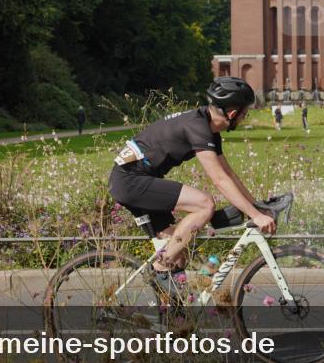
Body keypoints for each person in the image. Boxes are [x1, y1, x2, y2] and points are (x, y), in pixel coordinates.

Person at [108, 77, 277, 289]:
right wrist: (255, 216)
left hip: (134, 180)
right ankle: (160, 268)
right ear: (233, 114)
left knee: (178, 256)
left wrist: (257, 206)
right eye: (245, 113)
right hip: (130, 181)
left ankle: (176, 319)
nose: (245, 118)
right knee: (205, 204)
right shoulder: (197, 126)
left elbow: (229, 173)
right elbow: (219, 180)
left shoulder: (207, 127)